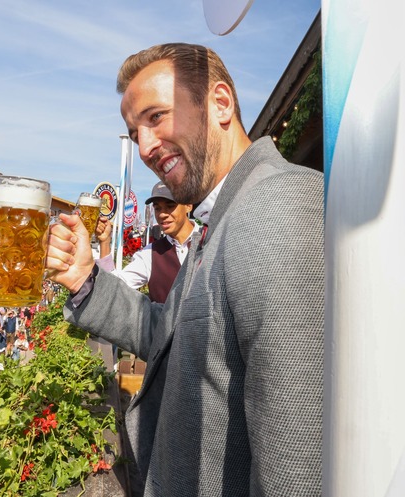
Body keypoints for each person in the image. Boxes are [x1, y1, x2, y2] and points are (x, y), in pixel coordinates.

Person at [46, 43, 323, 496]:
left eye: (156, 117)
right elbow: (167, 335)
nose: (146, 146)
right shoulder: (221, 217)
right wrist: (83, 280)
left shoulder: (279, 205)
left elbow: (297, 464)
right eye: (135, 132)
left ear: (220, 104)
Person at [96, 181, 197, 303]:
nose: (162, 214)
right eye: (157, 208)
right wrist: (105, 242)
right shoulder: (150, 253)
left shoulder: (211, 237)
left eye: (170, 206)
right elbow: (114, 288)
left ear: (188, 205)